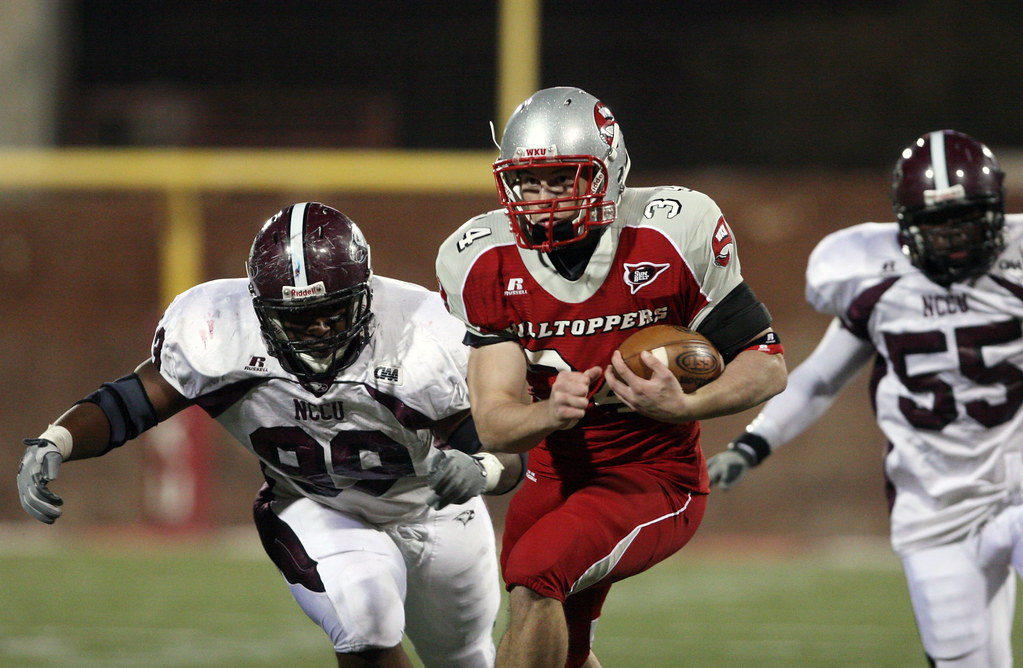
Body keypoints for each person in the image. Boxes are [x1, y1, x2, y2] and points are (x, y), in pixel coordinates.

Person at [17, 202, 525, 668]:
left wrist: (480, 469)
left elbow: (501, 443)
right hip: (318, 506)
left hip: (434, 510)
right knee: (365, 627)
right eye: (299, 319)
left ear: (366, 296)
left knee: (463, 656)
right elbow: (132, 401)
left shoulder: (424, 333)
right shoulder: (219, 329)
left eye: (333, 312)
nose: (319, 330)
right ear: (261, 308)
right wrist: (57, 439)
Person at [435, 87, 788, 668]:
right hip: (551, 472)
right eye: (528, 183)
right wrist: (548, 412)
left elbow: (766, 364)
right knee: (565, 646)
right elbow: (494, 424)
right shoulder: (480, 259)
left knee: (536, 577)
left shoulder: (672, 231)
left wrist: (685, 407)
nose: (542, 202)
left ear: (609, 173)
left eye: (561, 181)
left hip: (653, 472)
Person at [708, 129, 1023, 667]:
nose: (953, 239)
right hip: (934, 506)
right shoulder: (872, 277)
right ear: (904, 224)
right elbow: (818, 378)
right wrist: (752, 444)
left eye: (967, 220)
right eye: (937, 225)